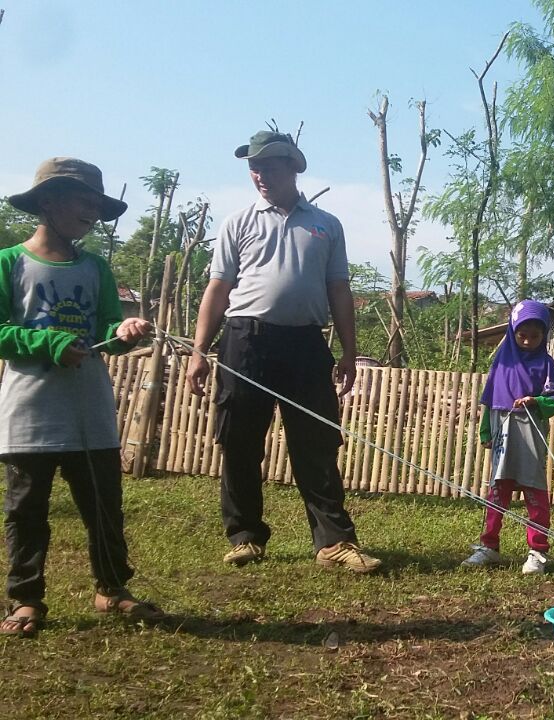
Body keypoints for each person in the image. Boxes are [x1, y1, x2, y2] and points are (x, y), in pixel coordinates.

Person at [186, 131, 381, 574]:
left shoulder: (326, 224)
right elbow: (218, 288)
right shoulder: (237, 222)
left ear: (293, 167)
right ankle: (245, 535)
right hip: (245, 340)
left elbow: (339, 289)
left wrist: (349, 352)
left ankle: (334, 542)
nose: (259, 174)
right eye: (253, 167)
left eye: (269, 166)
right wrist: (200, 350)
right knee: (238, 439)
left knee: (316, 441)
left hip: (306, 343)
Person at [0, 158, 164, 637]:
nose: (93, 211)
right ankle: (27, 598)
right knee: (27, 511)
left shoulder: (96, 268)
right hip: (31, 411)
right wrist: (48, 343)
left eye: (98, 203)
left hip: (90, 411)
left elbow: (108, 330)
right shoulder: (10, 263)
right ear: (49, 202)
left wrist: (125, 331)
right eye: (84, 200)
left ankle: (112, 588)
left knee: (103, 506)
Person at [461, 300, 554, 575]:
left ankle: (538, 551)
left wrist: (537, 401)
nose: (528, 341)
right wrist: (486, 431)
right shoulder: (502, 362)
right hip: (502, 431)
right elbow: (490, 400)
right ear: (512, 331)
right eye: (523, 335)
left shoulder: (545, 364)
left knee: (534, 492)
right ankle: (490, 547)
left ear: (544, 335)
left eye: (535, 336)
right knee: (497, 491)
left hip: (530, 433)